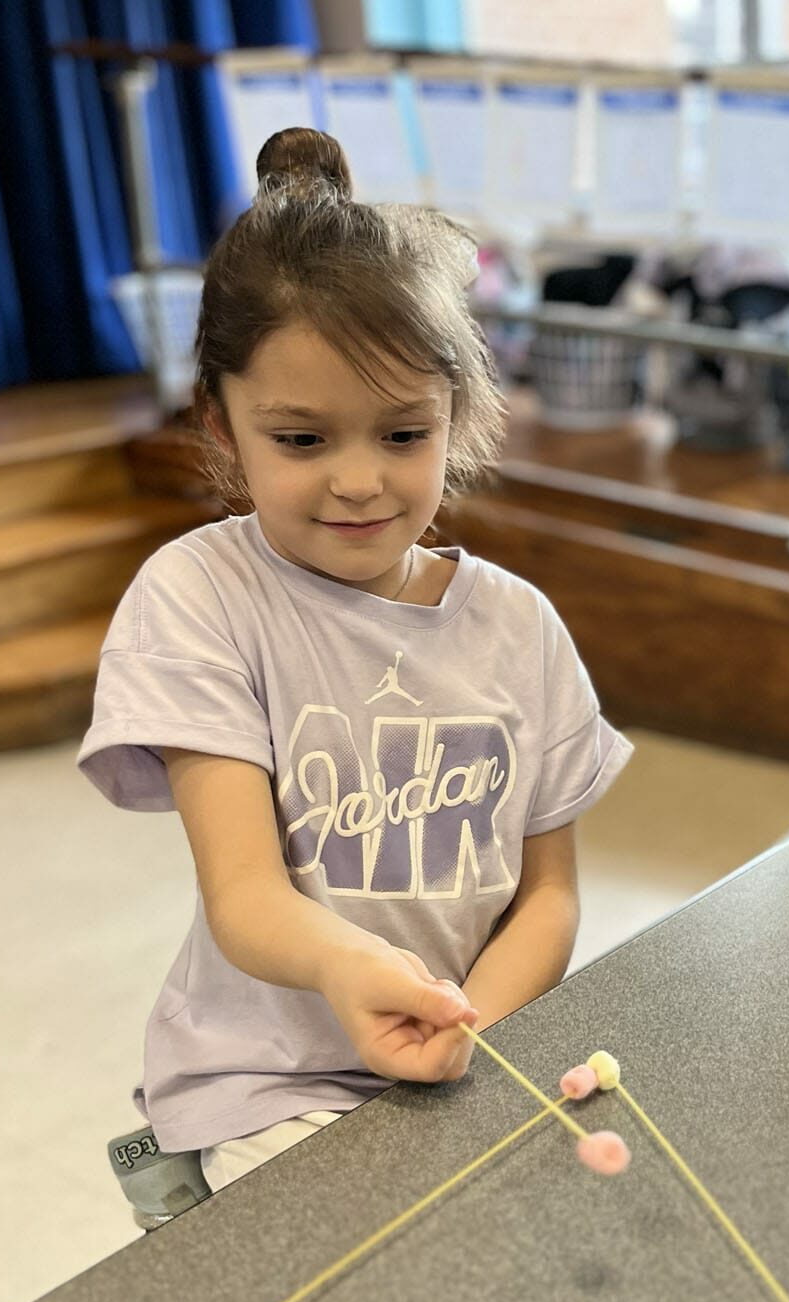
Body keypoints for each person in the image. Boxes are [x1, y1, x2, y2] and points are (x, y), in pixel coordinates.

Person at [79, 128, 631, 1193]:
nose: (359, 482)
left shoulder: (519, 626)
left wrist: (468, 1023)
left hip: (468, 1046)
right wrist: (361, 971)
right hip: (272, 1081)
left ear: (456, 417)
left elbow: (548, 897)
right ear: (222, 424)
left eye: (401, 434)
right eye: (301, 440)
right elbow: (245, 897)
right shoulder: (197, 600)